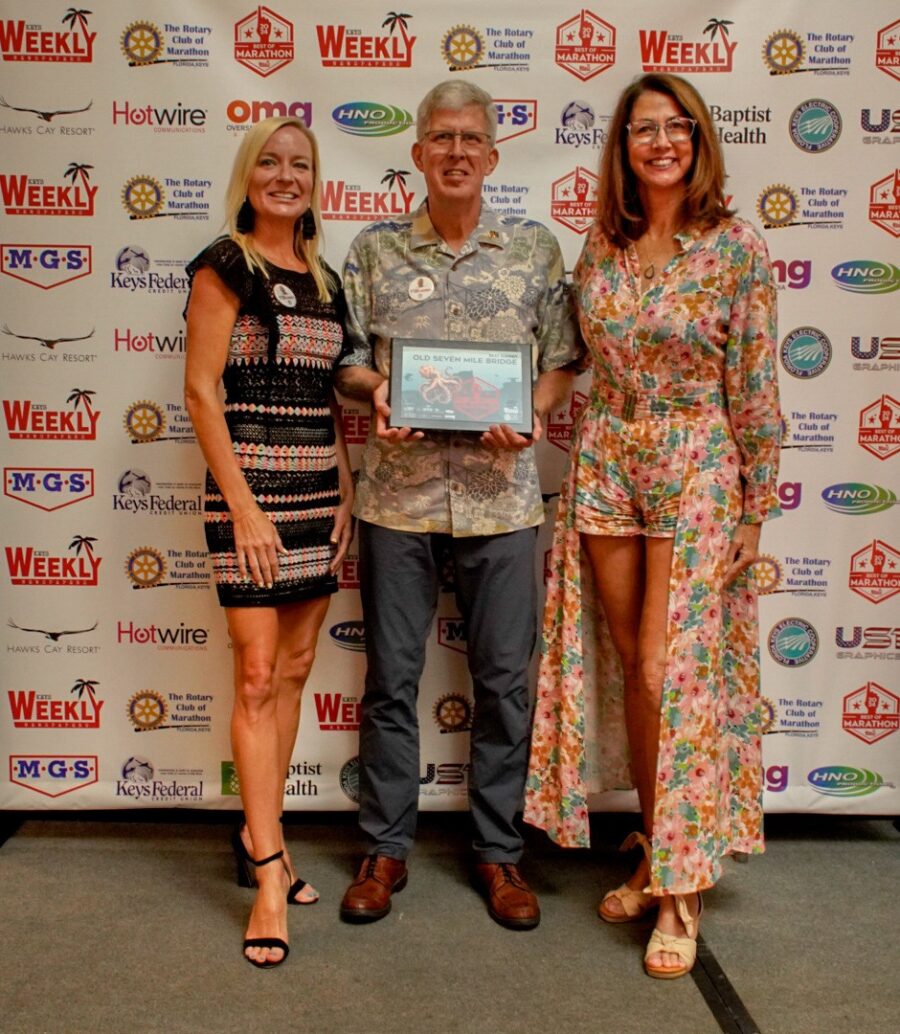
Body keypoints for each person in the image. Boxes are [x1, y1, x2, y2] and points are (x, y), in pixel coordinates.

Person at [525, 73, 781, 978]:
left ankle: (681, 889)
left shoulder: (737, 248)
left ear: (700, 140)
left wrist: (758, 502)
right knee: (634, 666)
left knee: (671, 667)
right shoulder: (603, 243)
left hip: (695, 461)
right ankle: (655, 841)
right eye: (643, 130)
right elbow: (572, 359)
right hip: (606, 457)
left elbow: (753, 386)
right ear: (623, 147)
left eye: (676, 128)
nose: (660, 142)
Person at [334, 80, 583, 930]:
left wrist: (534, 412)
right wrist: (377, 393)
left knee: (506, 685)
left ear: (492, 155)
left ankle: (500, 855)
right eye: (439, 138)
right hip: (396, 501)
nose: (455, 152)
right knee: (391, 684)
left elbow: (560, 361)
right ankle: (384, 849)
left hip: (504, 503)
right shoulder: (371, 252)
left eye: (470, 138)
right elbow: (346, 359)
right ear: (417, 154)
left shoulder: (536, 251)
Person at [184, 116, 353, 968]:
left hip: (317, 498)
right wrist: (244, 508)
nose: (285, 176)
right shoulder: (225, 264)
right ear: (249, 175)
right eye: (270, 163)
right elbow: (201, 393)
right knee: (254, 675)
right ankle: (264, 878)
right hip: (247, 497)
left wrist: (347, 490)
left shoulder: (324, 276)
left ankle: (267, 835)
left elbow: (329, 395)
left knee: (291, 674)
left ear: (315, 182)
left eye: (301, 165)